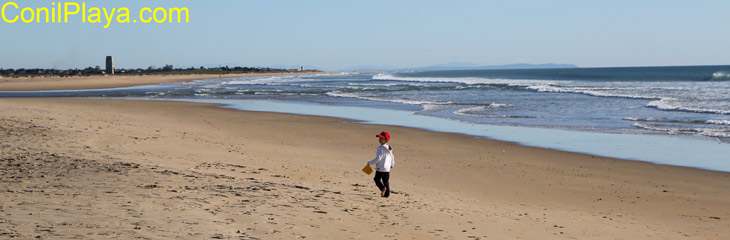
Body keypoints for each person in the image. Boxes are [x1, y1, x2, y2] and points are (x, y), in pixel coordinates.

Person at [367, 131, 395, 198]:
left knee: (376, 179)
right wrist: (392, 164)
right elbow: (392, 157)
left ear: (386, 140)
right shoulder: (389, 148)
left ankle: (382, 188)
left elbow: (378, 158)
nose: (379, 139)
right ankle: (387, 194)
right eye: (379, 138)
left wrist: (370, 163)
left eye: (382, 138)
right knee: (386, 181)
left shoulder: (380, 148)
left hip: (380, 167)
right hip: (387, 168)